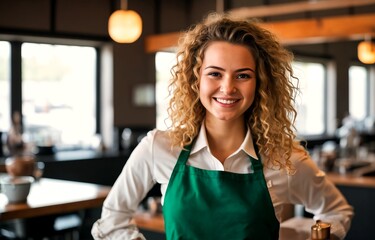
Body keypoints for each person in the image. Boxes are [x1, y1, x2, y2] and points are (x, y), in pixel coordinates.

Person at [92, 12, 353, 240]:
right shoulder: (159, 147)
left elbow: (337, 211)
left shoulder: (284, 158)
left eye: (242, 75)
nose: (228, 87)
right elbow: (112, 218)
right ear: (196, 80)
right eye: (215, 73)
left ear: (260, 83)